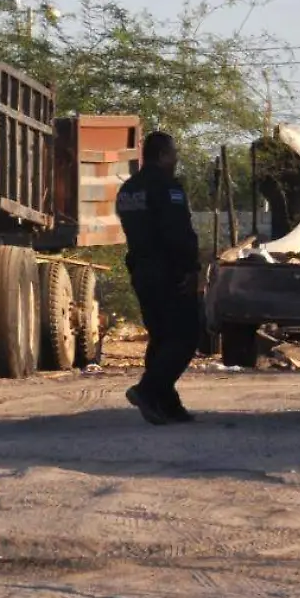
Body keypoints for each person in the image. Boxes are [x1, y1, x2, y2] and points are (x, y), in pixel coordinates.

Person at [115, 130, 200, 425]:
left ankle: (166, 403)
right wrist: (191, 269)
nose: (176, 158)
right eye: (173, 152)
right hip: (169, 272)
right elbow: (177, 233)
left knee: (162, 336)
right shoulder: (167, 188)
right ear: (163, 155)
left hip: (141, 270)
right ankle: (149, 390)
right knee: (188, 334)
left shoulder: (128, 189)